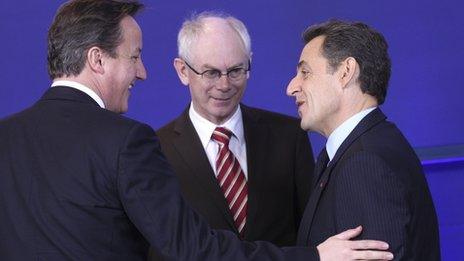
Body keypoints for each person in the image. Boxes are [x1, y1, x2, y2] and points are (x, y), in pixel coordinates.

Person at [0, 0, 394, 260]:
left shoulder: (6, 138)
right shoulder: (128, 142)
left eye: (236, 70)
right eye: (134, 57)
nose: (142, 71)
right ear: (97, 60)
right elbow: (192, 248)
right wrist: (317, 258)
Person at [154, 12, 314, 250]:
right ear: (182, 71)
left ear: (249, 64)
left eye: (236, 71)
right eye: (211, 73)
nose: (225, 84)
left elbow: (312, 232)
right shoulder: (156, 151)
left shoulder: (289, 137)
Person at [287, 20, 440, 260]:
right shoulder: (360, 148)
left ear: (346, 72)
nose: (292, 87)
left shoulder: (364, 161)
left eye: (305, 73)